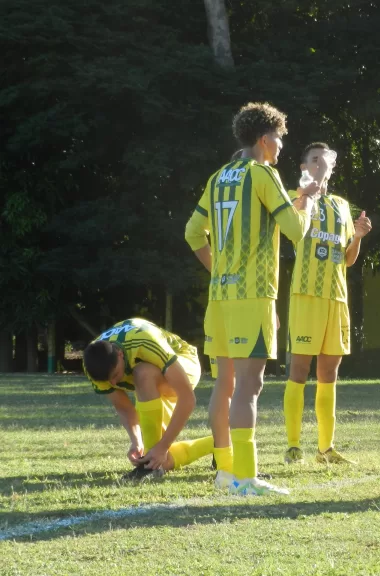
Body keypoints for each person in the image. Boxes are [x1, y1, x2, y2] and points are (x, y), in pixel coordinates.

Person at [185, 102, 319, 495]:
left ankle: (226, 472)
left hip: (220, 298)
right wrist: (308, 199)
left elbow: (194, 233)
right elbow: (296, 230)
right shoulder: (263, 174)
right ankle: (245, 477)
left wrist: (219, 270)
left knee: (223, 385)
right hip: (252, 296)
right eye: (279, 138)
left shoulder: (218, 176)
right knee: (249, 387)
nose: (280, 146)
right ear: (264, 139)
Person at [282, 143, 372, 465]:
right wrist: (306, 193)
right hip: (306, 295)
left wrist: (358, 236)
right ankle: (293, 445)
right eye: (314, 159)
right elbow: (292, 232)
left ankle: (325, 448)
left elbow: (347, 259)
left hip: (337, 297)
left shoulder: (341, 206)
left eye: (326, 160)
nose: (321, 164)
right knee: (298, 370)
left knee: (329, 374)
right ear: (304, 165)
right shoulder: (299, 200)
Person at [83, 318, 214, 480]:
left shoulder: (144, 342)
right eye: (107, 381)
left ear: (120, 354)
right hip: (151, 386)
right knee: (161, 459)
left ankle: (149, 468)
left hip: (184, 361)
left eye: (116, 375)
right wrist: (136, 441)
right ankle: (220, 443)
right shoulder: (93, 363)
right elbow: (124, 407)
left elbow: (187, 398)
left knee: (142, 373)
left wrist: (162, 446)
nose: (114, 383)